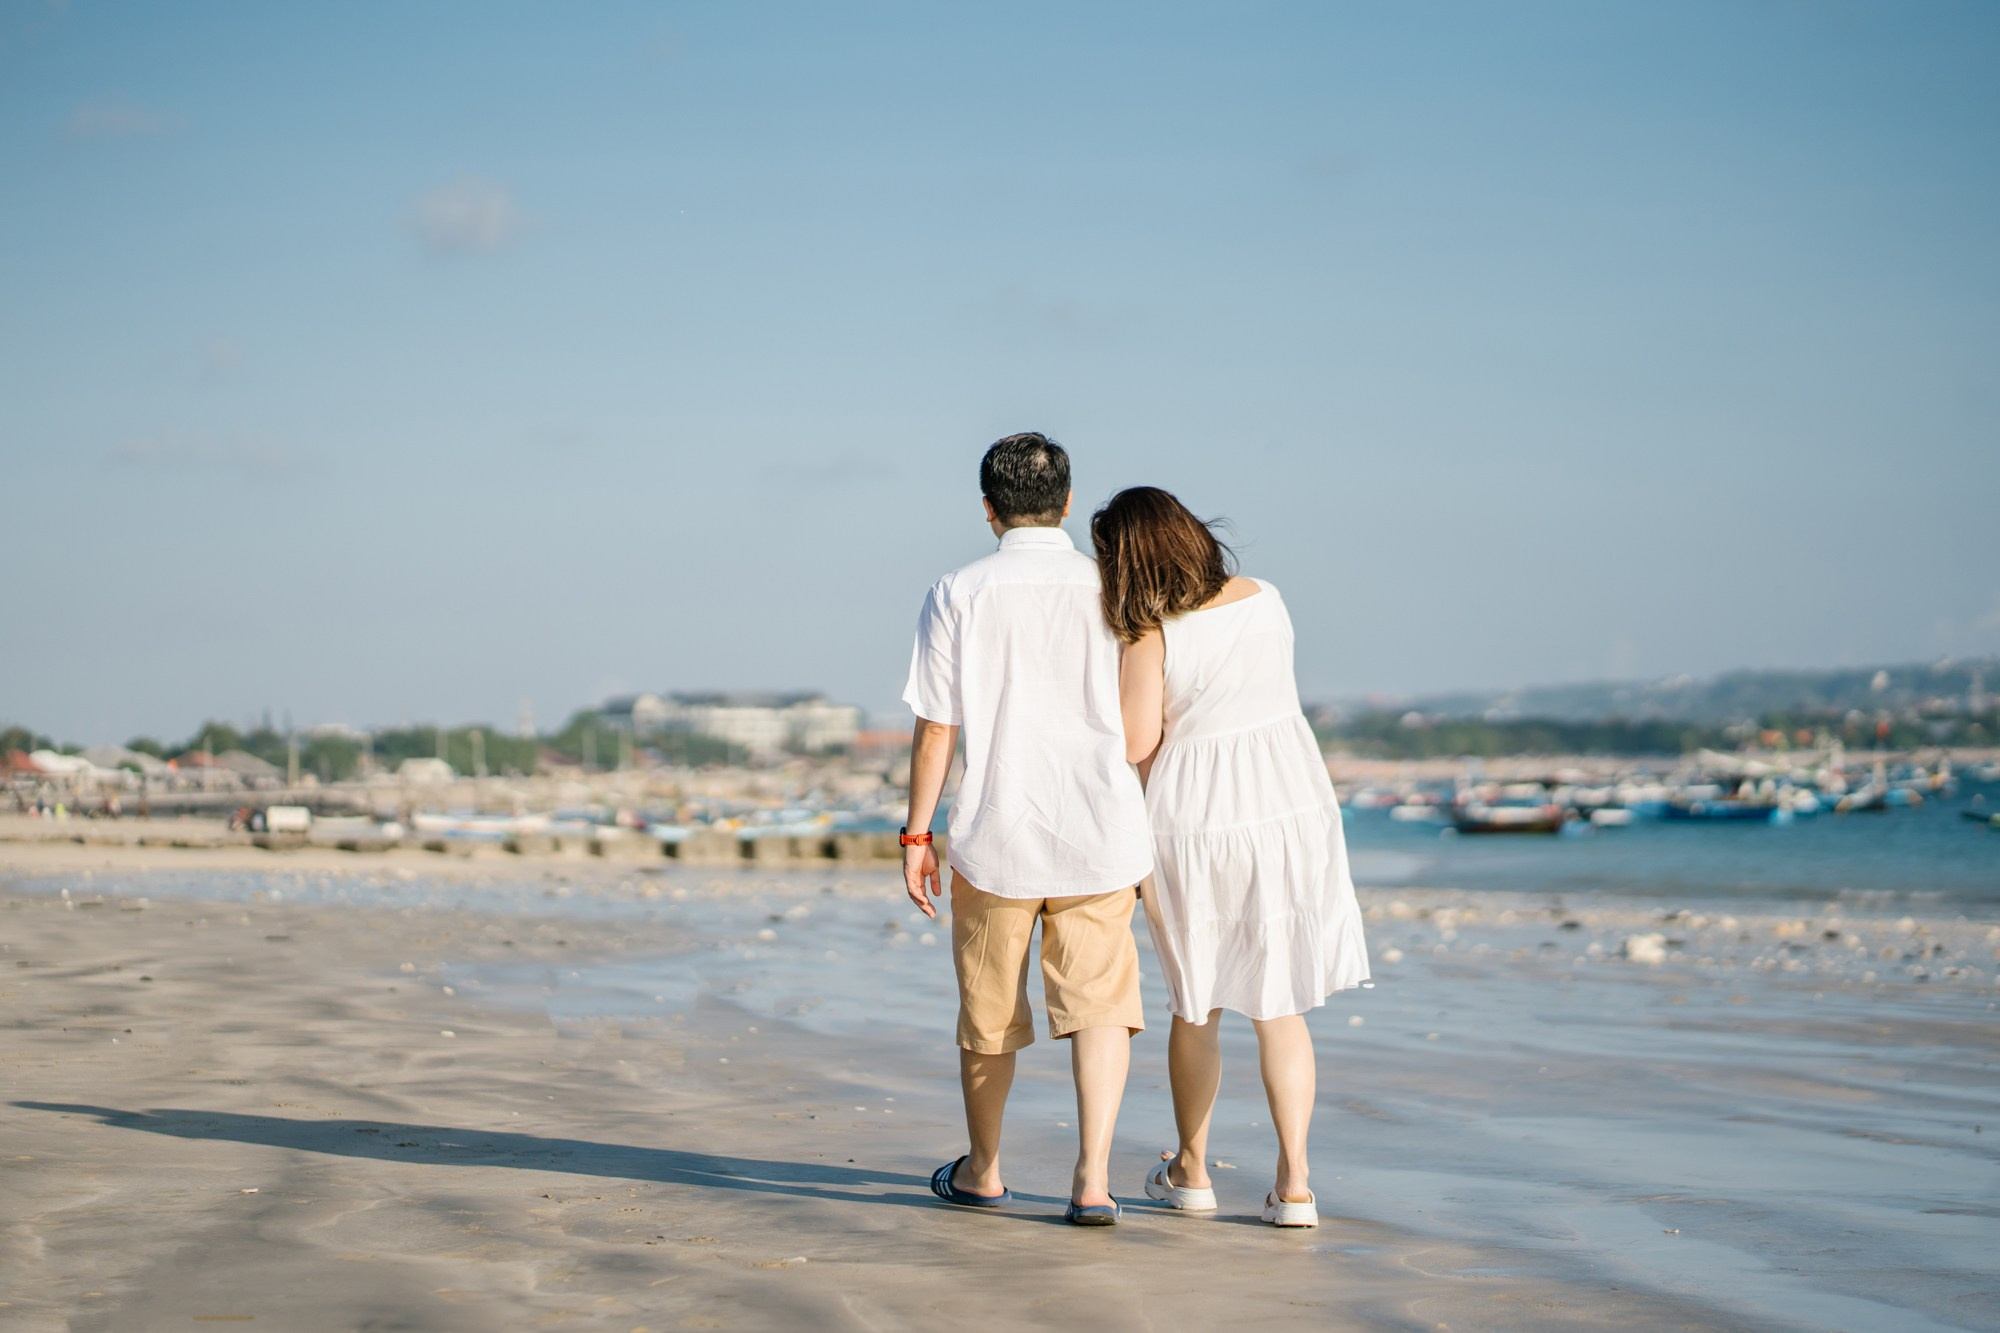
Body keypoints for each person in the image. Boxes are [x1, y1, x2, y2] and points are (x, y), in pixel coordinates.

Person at [1090, 485, 1369, 1228]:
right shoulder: (1265, 597)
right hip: (1287, 806)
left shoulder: (1150, 632)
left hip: (1195, 816)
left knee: (1198, 1000)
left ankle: (1191, 1171)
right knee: (1280, 1004)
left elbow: (1137, 741)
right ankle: (1296, 1184)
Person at [902, 433, 1154, 1226]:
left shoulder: (957, 591)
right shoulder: (1113, 586)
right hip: (1099, 828)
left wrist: (916, 836)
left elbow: (937, 728)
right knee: (1101, 1006)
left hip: (996, 833)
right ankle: (1092, 1180)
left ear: (988, 508)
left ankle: (984, 1170)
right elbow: (1140, 722)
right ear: (1068, 502)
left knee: (988, 1012)